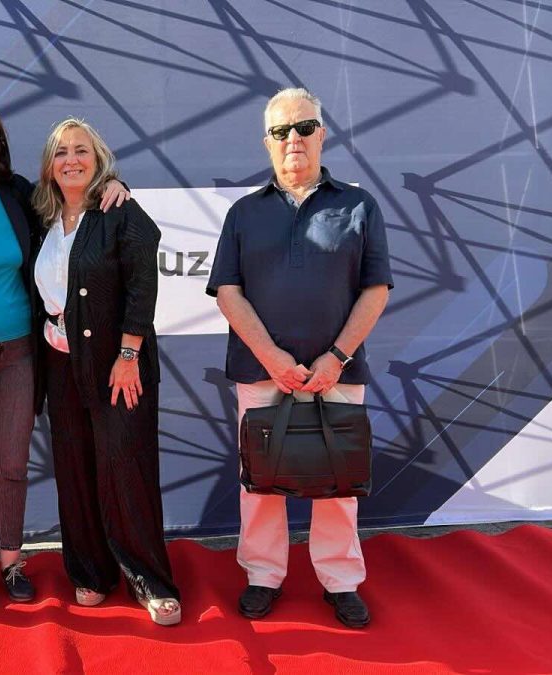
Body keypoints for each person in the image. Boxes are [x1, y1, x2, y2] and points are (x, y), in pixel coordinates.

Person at [0, 103, 128, 610]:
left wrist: (114, 185)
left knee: (11, 463)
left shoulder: (19, 198)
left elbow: (72, 192)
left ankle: (11, 561)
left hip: (19, 354)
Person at [206, 87, 393, 628]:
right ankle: (263, 575)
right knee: (260, 481)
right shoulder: (244, 212)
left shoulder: (359, 205)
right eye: (281, 131)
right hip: (261, 373)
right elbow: (228, 292)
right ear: (267, 142)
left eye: (304, 127)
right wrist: (271, 358)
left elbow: (375, 289)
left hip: (339, 373)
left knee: (338, 482)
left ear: (322, 134)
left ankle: (341, 581)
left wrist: (335, 357)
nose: (294, 139)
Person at [32, 118, 181, 626]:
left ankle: (150, 580)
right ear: (49, 167)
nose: (71, 160)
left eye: (81, 150)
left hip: (117, 363)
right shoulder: (41, 217)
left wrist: (128, 354)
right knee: (74, 469)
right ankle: (92, 572)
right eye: (61, 152)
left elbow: (142, 283)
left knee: (126, 469)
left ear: (98, 160)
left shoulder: (119, 210)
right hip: (59, 362)